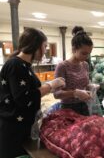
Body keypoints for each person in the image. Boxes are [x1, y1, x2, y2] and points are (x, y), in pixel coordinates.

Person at [0, 28, 65, 158]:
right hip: (13, 130)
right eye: (44, 46)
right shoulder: (16, 65)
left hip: (22, 127)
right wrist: (51, 85)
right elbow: (23, 98)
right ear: (35, 46)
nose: (45, 51)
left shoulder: (24, 65)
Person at [54, 26, 94, 116]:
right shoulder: (62, 67)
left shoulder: (85, 65)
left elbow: (84, 85)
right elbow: (56, 94)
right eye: (83, 53)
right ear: (74, 50)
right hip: (68, 109)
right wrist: (75, 93)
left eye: (89, 53)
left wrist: (91, 87)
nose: (87, 57)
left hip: (84, 107)